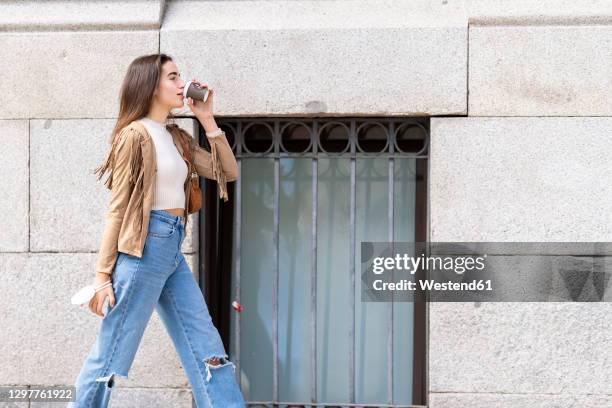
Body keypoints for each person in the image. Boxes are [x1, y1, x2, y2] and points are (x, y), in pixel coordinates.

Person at [68, 53, 245, 407]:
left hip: (170, 250)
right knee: (112, 351)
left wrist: (208, 121)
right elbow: (118, 209)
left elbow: (226, 171)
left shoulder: (176, 137)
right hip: (143, 250)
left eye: (180, 77)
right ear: (151, 85)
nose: (182, 85)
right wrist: (103, 276)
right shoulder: (135, 136)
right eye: (174, 77)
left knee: (205, 345)